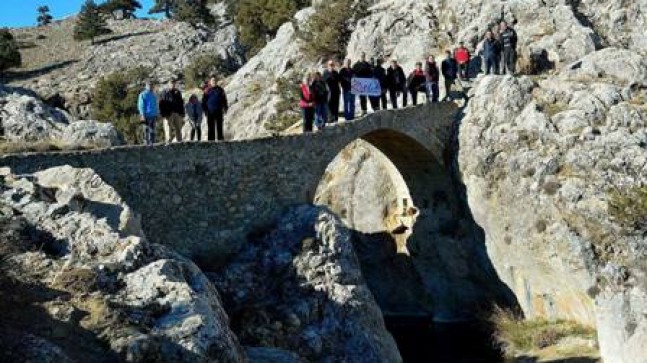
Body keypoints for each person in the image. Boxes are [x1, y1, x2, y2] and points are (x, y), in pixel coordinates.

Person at [201, 76, 229, 141]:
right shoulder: (207, 90)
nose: (214, 81)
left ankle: (220, 140)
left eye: (215, 80)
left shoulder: (220, 89)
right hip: (210, 112)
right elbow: (203, 102)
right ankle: (211, 141)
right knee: (211, 127)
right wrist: (205, 111)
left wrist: (225, 107)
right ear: (210, 82)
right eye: (213, 80)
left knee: (219, 126)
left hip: (219, 111)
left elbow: (224, 99)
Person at [137, 81, 158, 146]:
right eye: (149, 85)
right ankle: (146, 144)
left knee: (153, 130)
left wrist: (157, 113)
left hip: (153, 115)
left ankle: (152, 143)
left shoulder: (153, 94)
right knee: (146, 130)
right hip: (146, 115)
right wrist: (142, 115)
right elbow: (141, 105)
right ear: (146, 86)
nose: (150, 86)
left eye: (151, 85)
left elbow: (155, 104)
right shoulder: (142, 94)